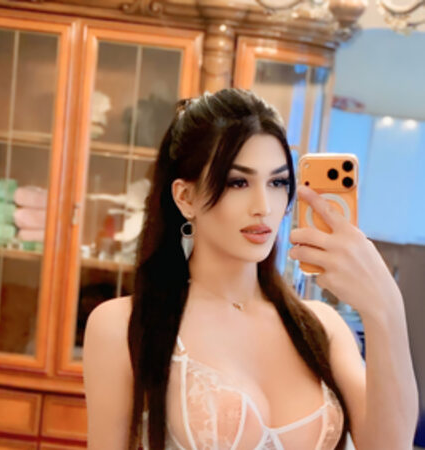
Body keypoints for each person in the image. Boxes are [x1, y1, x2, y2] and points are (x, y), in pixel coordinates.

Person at [83, 88, 419, 450]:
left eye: (277, 182)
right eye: (238, 182)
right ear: (185, 197)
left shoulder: (322, 328)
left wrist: (385, 308)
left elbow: (391, 446)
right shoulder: (122, 326)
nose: (264, 206)